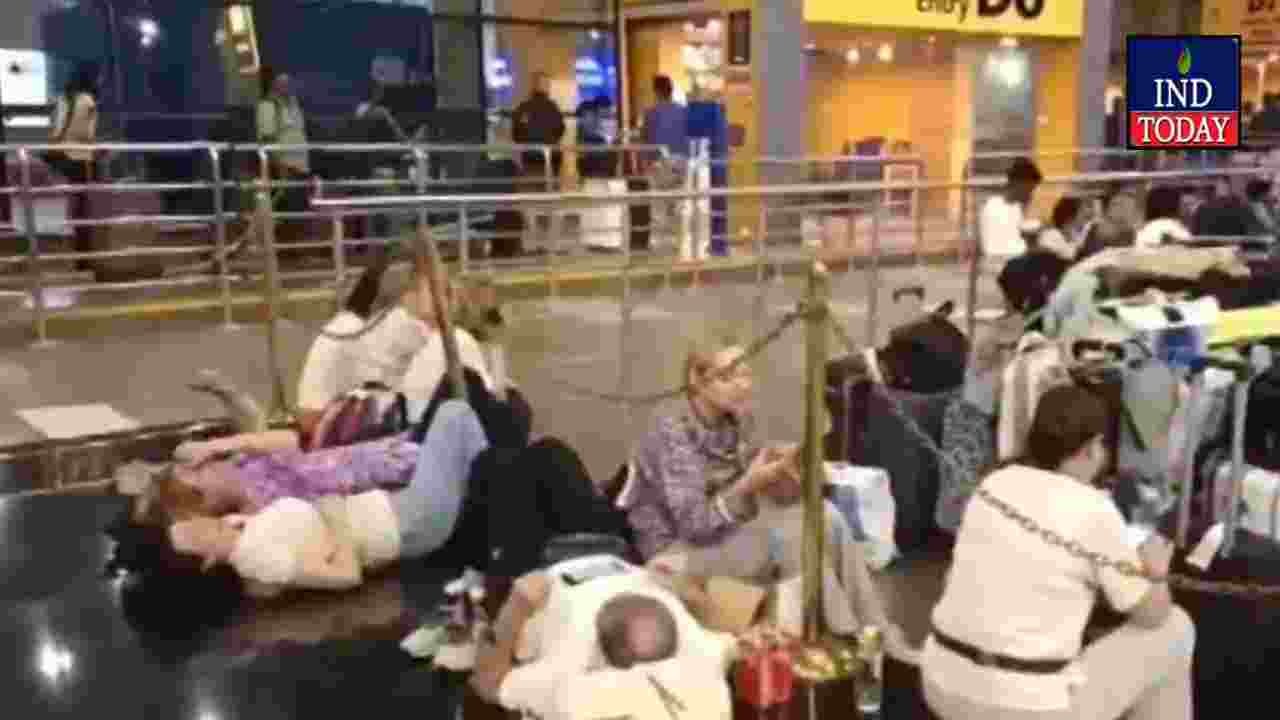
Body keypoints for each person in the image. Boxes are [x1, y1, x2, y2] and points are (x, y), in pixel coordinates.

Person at [619, 335, 910, 655]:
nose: (742, 386)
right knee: (793, 538)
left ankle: (878, 631)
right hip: (675, 551)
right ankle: (846, 639)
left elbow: (748, 480)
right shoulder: (671, 432)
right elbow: (694, 525)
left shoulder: (737, 418)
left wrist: (787, 469)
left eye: (746, 374)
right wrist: (749, 483)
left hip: (727, 529)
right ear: (696, 380)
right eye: (728, 376)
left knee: (828, 517)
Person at [921, 385, 1194, 720]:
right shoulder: (1094, 507)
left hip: (940, 683)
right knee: (1175, 628)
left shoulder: (992, 484)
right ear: (1092, 447)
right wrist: (1156, 574)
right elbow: (1151, 615)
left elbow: (954, 579)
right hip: (1024, 708)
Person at [167, 400, 489, 598]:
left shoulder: (241, 517)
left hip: (390, 492)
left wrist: (211, 446)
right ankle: (495, 520)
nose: (208, 465)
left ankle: (491, 510)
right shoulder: (255, 548)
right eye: (200, 474)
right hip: (404, 520)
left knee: (460, 409)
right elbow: (346, 574)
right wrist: (334, 511)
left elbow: (282, 438)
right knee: (455, 413)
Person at [470, 564, 737, 720]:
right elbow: (735, 638)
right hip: (628, 567)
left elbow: (487, 684)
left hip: (550, 574)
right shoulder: (705, 658)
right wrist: (691, 594)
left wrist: (518, 603)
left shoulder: (572, 685)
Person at [47, 63, 100, 271]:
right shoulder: (88, 101)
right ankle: (85, 257)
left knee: (75, 207)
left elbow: (56, 132)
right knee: (86, 209)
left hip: (64, 157)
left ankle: (79, 257)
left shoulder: (63, 99)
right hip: (82, 159)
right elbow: (88, 135)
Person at [980, 158, 1042, 259]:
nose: (1031, 195)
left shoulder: (1017, 208)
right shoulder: (993, 206)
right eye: (1030, 189)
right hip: (1001, 262)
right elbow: (998, 248)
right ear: (1018, 184)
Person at [512, 71, 565, 178]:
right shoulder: (552, 107)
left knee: (533, 182)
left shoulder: (524, 107)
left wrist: (526, 142)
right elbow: (560, 129)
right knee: (550, 183)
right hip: (551, 155)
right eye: (547, 84)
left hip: (530, 156)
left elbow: (516, 133)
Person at [1036, 196, 1086, 261]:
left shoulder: (1073, 234)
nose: (1085, 216)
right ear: (1070, 217)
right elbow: (1070, 255)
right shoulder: (1050, 236)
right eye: (1081, 212)